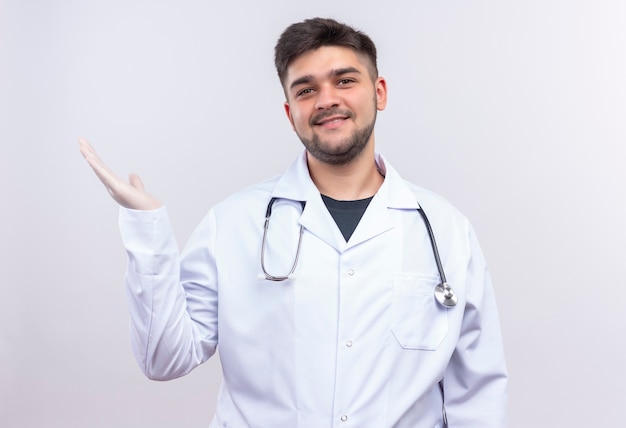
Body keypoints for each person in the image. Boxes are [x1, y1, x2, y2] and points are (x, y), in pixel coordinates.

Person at [79, 17, 507, 428]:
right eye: (306, 90)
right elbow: (164, 359)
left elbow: (478, 393)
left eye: (344, 80)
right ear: (290, 112)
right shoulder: (233, 223)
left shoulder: (445, 230)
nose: (326, 100)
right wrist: (146, 226)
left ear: (379, 92)